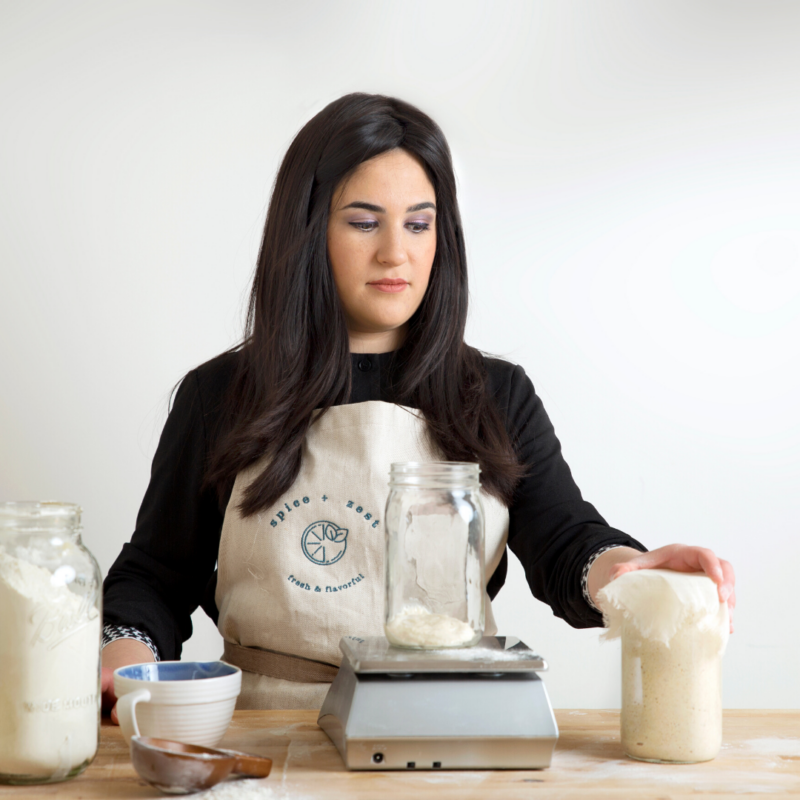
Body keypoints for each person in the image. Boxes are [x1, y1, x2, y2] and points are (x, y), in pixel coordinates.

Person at [101, 93, 735, 717]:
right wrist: (120, 656)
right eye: (363, 221)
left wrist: (633, 572)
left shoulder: (492, 393)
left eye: (418, 222)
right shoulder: (221, 395)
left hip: (454, 725)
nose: (395, 253)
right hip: (273, 731)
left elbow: (568, 543)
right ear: (307, 229)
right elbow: (155, 577)